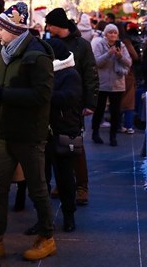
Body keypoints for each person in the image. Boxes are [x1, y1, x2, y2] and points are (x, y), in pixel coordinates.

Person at [0, 2, 57, 263]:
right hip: (5, 130)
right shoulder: (7, 51)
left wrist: (2, 93)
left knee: (38, 189)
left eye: (0, 27)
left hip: (29, 133)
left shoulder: (37, 55)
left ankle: (47, 237)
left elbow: (42, 95)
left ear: (13, 30)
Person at [44, 7, 98, 206]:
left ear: (57, 24)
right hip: (55, 101)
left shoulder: (81, 45)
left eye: (49, 24)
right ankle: (63, 182)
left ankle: (81, 186)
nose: (47, 28)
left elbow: (91, 73)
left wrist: (91, 103)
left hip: (74, 103)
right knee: (55, 144)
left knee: (75, 146)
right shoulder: (50, 43)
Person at [42, 37, 82, 232]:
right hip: (44, 131)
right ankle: (43, 218)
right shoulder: (46, 71)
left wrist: (45, 94)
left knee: (65, 177)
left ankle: (69, 215)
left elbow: (70, 98)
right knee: (42, 178)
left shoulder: (70, 74)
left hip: (63, 130)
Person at [91, 23, 132, 147]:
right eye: (110, 32)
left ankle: (113, 136)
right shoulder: (99, 44)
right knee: (99, 109)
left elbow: (129, 62)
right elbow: (97, 62)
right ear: (105, 34)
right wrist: (109, 53)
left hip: (117, 84)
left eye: (115, 32)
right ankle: (95, 132)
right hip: (102, 83)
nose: (113, 35)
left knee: (115, 112)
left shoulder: (122, 46)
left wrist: (120, 56)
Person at [116, 22, 139, 135]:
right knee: (129, 101)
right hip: (127, 74)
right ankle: (128, 125)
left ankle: (118, 124)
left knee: (118, 100)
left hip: (114, 75)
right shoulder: (125, 41)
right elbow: (134, 56)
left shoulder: (107, 42)